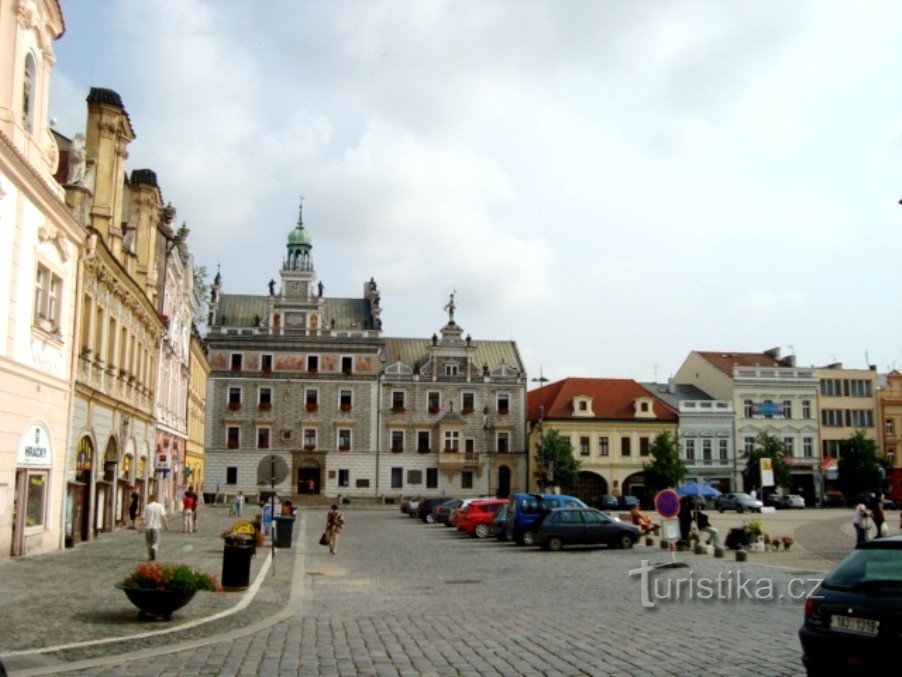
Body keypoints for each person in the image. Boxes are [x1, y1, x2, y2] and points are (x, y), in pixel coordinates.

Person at [140, 494, 167, 561]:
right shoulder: (160, 506)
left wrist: (142, 528)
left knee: (148, 541)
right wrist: (165, 525)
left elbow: (143, 518)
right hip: (156, 527)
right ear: (155, 499)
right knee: (156, 541)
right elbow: (163, 516)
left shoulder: (147, 507)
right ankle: (154, 548)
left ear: (150, 499)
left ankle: (150, 556)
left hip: (148, 527)